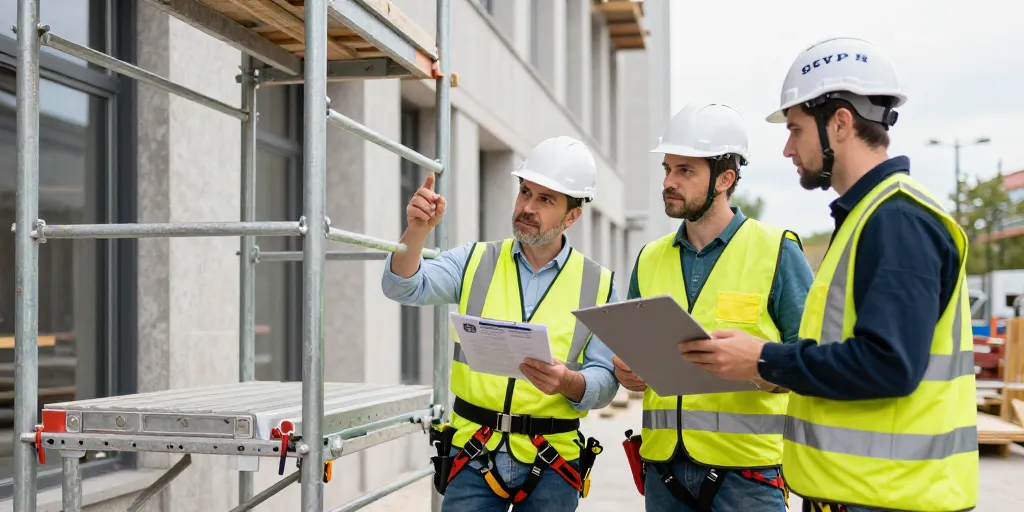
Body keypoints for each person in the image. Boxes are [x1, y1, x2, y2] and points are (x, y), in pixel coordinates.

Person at [679, 37, 978, 512]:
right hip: (868, 495)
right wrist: (764, 365)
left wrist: (765, 359)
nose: (786, 149)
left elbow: (888, 365)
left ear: (839, 123)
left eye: (795, 129)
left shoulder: (896, 220)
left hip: (890, 498)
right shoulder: (870, 219)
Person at [382, 136, 620, 511]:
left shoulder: (599, 285)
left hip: (553, 460)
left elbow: (605, 381)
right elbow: (402, 286)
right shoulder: (476, 260)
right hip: (474, 453)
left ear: (572, 216)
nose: (527, 206)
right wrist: (416, 232)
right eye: (525, 191)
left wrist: (568, 382)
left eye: (545, 199)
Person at [613, 102, 814, 512]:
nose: (669, 181)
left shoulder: (776, 251)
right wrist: (629, 373)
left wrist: (757, 367)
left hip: (748, 478)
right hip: (663, 469)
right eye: (667, 169)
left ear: (725, 178)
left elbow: (812, 361)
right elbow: (638, 356)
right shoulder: (650, 257)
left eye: (685, 171)